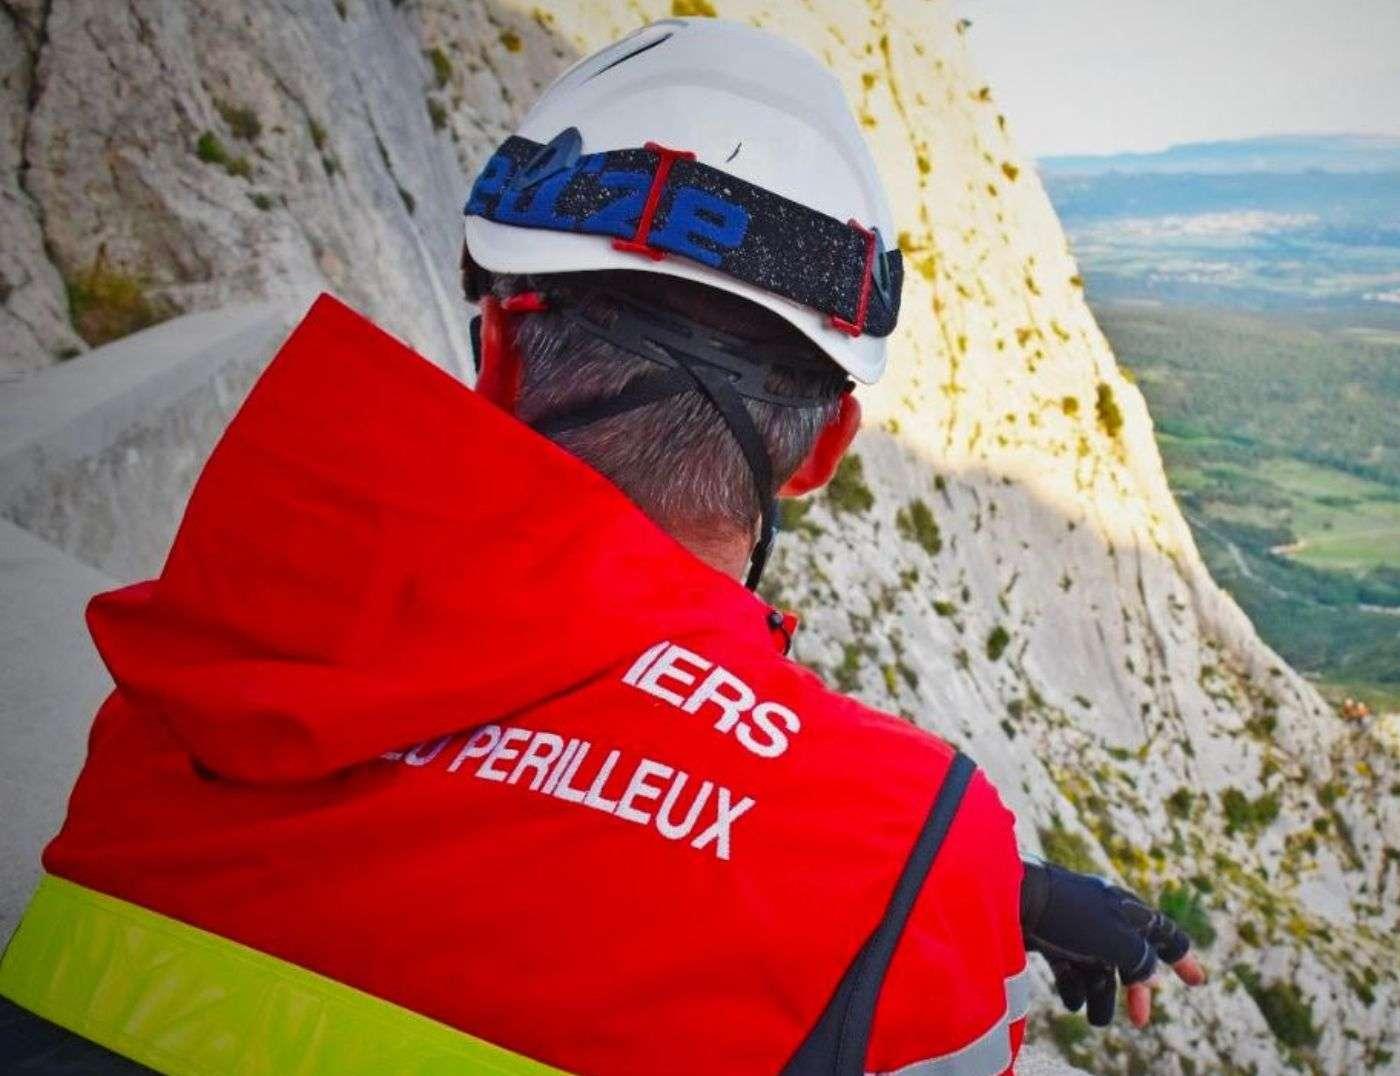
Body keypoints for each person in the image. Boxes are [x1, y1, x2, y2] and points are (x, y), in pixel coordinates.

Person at [0, 17, 1200, 1075]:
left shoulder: (205, 644)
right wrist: (955, 893)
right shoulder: (904, 847)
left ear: (497, 351)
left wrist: (976, 889)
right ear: (825, 446)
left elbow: (483, 795)